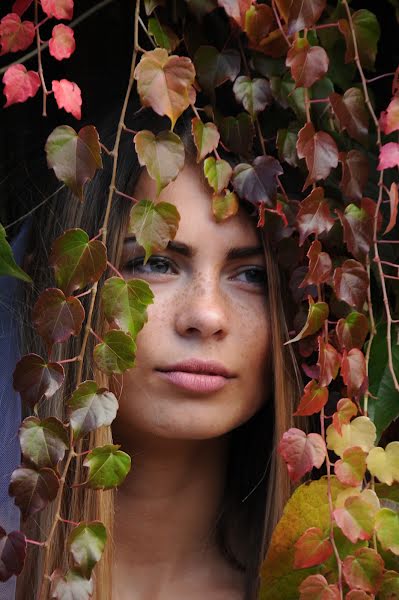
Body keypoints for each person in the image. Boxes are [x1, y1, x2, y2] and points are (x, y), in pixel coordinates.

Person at [10, 108, 301, 600]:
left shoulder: (338, 580)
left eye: (251, 275)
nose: (207, 316)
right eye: (154, 263)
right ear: (64, 293)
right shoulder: (14, 575)